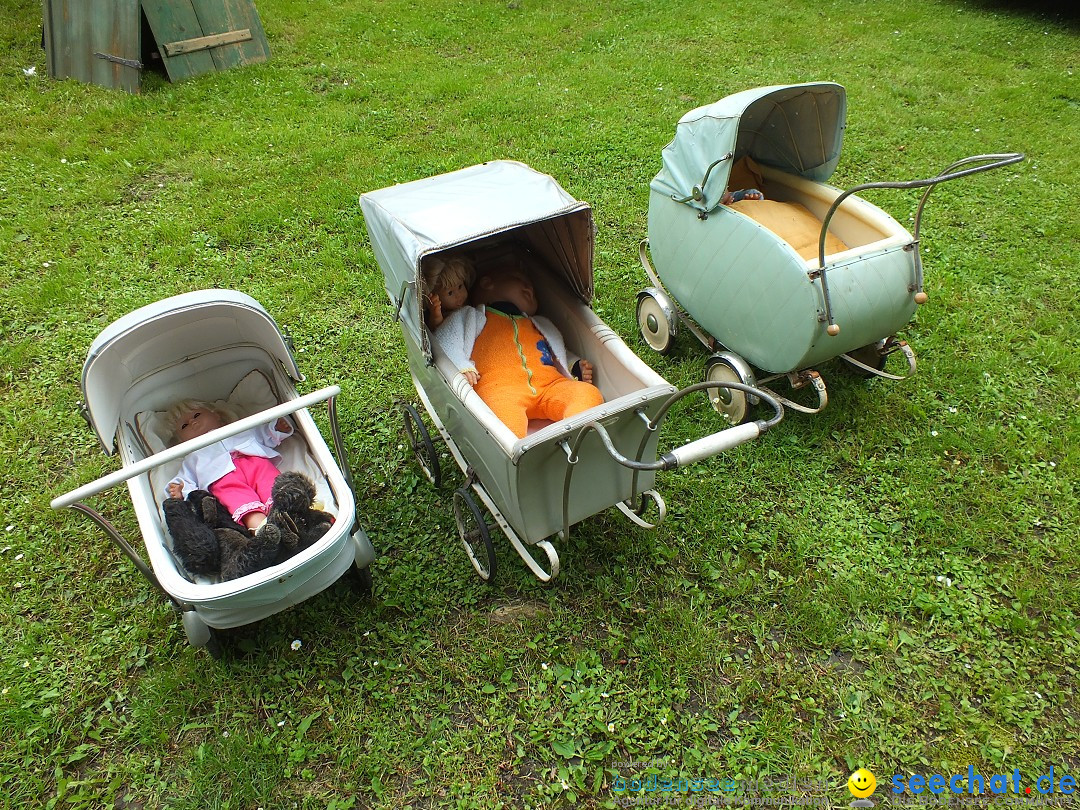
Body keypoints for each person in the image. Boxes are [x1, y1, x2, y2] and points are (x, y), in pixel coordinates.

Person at [434, 260, 604, 438]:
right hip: (500, 389)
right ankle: (519, 452)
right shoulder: (472, 317)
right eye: (518, 279)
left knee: (586, 393)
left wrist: (574, 365)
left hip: (549, 385)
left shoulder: (539, 323)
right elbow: (447, 339)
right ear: (487, 283)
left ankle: (578, 438)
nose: (528, 287)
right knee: (501, 420)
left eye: (531, 287)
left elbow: (557, 351)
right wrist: (462, 366)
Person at [163, 400, 293, 535]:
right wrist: (180, 491)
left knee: (274, 486)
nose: (192, 422)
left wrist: (276, 429)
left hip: (256, 464)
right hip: (223, 480)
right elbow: (186, 479)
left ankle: (290, 514)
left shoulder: (237, 429)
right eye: (184, 426)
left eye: (197, 415)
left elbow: (262, 435)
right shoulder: (193, 457)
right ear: (181, 440)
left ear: (216, 415)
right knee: (239, 501)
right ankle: (263, 530)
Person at [422, 253, 475, 329]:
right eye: (450, 293)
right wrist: (436, 314)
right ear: (434, 295)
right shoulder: (443, 314)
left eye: (460, 286)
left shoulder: (469, 300)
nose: (458, 295)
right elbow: (437, 329)